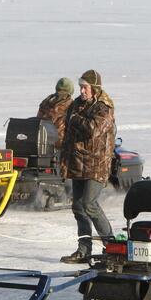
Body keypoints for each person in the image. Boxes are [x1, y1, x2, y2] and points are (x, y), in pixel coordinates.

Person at [59, 70, 116, 264]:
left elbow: (93, 130)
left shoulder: (104, 107)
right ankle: (84, 251)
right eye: (81, 86)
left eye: (85, 87)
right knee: (78, 207)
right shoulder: (77, 104)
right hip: (77, 163)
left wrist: (75, 119)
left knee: (89, 204)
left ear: (95, 88)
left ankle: (112, 248)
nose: (82, 90)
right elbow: (67, 130)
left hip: (96, 164)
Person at [37, 77, 75, 146]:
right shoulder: (72, 105)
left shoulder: (46, 101)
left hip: (41, 142)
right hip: (59, 144)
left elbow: (38, 119)